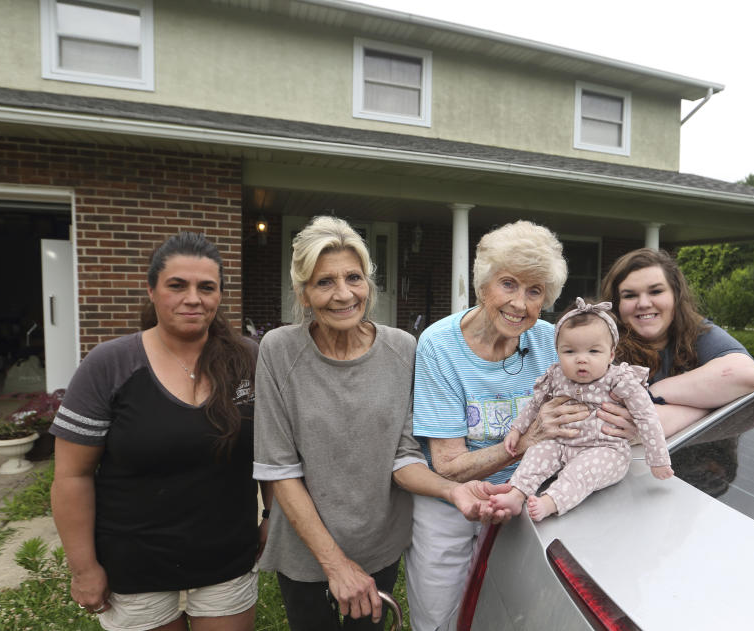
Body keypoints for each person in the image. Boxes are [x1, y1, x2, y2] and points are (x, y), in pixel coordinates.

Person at [252, 216, 509, 631]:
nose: (343, 294)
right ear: (303, 293)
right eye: (324, 282)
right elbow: (279, 469)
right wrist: (335, 566)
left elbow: (403, 455)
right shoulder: (278, 350)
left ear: (368, 283)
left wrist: (454, 490)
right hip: (305, 551)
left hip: (379, 545)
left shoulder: (402, 348)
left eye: (353, 277)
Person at [50, 232, 267, 631]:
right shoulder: (109, 365)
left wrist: (272, 515)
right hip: (134, 567)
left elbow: (272, 448)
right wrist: (84, 568)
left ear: (220, 295)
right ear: (151, 290)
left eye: (207, 287)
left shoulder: (247, 360)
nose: (193, 298)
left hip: (227, 560)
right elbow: (71, 476)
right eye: (177, 285)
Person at [405, 220, 588, 631]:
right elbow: (449, 464)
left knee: (513, 614)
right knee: (439, 618)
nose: (520, 304)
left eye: (534, 290)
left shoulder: (553, 340)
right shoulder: (439, 346)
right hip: (450, 503)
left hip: (527, 498)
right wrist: (526, 440)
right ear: (483, 285)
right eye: (508, 284)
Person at [488, 297, 673, 522]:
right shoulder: (556, 376)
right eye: (570, 352)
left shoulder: (620, 380)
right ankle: (517, 493)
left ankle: (551, 501)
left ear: (611, 355)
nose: (581, 360)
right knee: (537, 453)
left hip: (606, 449)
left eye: (593, 351)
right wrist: (517, 430)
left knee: (583, 471)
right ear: (558, 352)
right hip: (561, 443)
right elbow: (534, 405)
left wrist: (658, 458)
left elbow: (646, 417)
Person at [597, 248, 754, 441]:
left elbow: (746, 375)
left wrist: (650, 395)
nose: (643, 303)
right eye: (630, 295)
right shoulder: (601, 346)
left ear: (675, 296)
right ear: (616, 304)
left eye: (656, 291)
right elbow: (616, 428)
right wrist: (713, 404)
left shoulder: (697, 332)